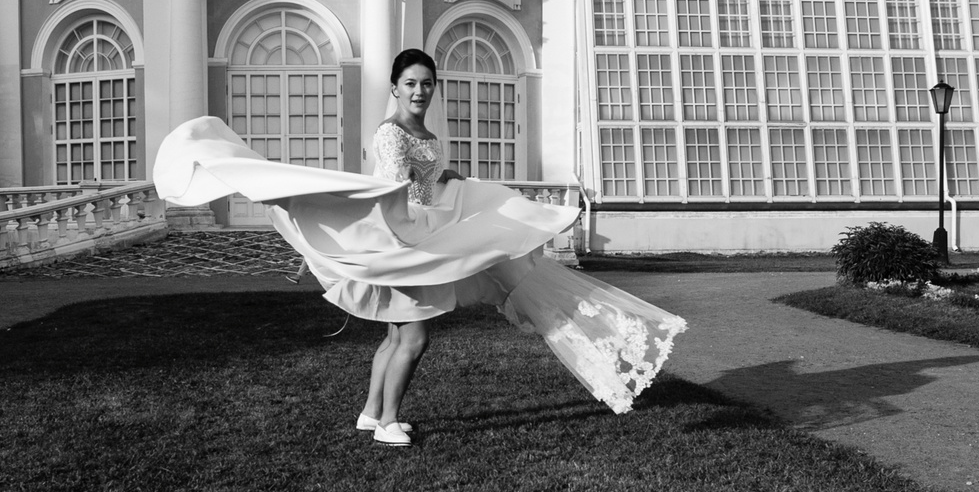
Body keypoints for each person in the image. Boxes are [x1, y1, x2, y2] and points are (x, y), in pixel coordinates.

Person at [153, 49, 687, 445]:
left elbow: (421, 181)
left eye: (427, 83)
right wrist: (410, 215)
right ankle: (387, 422)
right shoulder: (391, 135)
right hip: (403, 241)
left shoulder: (424, 134)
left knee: (393, 336)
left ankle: (370, 411)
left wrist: (443, 175)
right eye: (410, 83)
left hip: (417, 232)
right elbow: (391, 190)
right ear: (394, 87)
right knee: (413, 337)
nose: (419, 91)